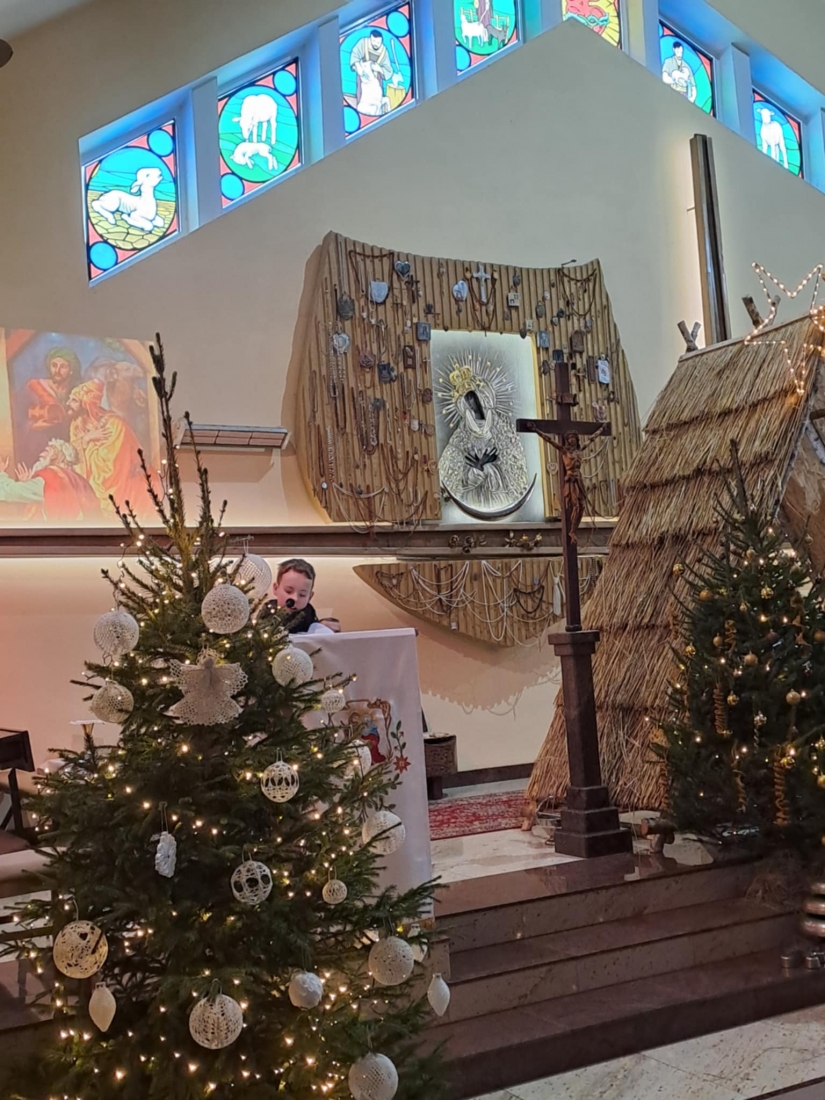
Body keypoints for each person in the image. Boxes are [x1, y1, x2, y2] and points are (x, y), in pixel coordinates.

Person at [66, 377, 150, 517]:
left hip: (112, 490)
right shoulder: (76, 424)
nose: (68, 403)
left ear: (86, 403)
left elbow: (110, 466)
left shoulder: (114, 424)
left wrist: (87, 447)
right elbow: (72, 455)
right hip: (85, 486)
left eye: (74, 400)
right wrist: (86, 439)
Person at [0, 439, 100, 523]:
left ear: (56, 456)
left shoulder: (51, 477)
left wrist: (1, 473)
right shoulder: (77, 479)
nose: (42, 453)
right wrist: (27, 484)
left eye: (49, 449)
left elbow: (8, 491)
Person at [19, 347, 82, 464]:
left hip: (66, 450)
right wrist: (34, 426)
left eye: (63, 367)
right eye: (54, 365)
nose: (57, 370)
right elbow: (17, 418)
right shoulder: (34, 387)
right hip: (38, 449)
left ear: (71, 370)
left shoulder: (75, 392)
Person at [259, 558, 336, 634]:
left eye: (302, 595)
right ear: (276, 588)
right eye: (288, 591)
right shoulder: (261, 623)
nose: (295, 598)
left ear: (310, 597)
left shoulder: (316, 631)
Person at [349, 28, 398, 116]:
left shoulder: (384, 52)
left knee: (377, 99)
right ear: (370, 38)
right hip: (363, 77)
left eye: (378, 42)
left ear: (381, 41)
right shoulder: (363, 43)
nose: (375, 44)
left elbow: (389, 70)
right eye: (374, 41)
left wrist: (379, 69)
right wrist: (358, 66)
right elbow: (355, 54)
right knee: (362, 99)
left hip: (376, 79)